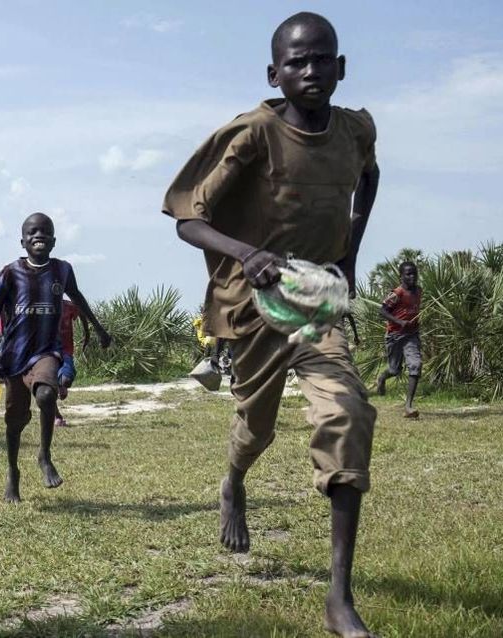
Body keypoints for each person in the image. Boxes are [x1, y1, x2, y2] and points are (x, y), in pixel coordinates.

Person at [165, 12, 381, 637]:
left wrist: (350, 252)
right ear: (274, 73)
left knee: (345, 415)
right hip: (257, 304)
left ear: (340, 68)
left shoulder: (356, 131)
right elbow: (187, 218)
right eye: (297, 62)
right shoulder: (255, 133)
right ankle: (233, 481)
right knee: (255, 426)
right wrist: (245, 253)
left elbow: (367, 179)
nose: (311, 72)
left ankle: (338, 597)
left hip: (318, 303)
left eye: (322, 60)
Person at [0, 213, 111, 502]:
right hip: (14, 355)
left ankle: (44, 455)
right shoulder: (10, 272)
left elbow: (77, 297)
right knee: (14, 422)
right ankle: (13, 473)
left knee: (46, 396)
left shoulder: (62, 270)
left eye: (45, 232)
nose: (38, 236)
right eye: (32, 232)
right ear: (23, 241)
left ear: (53, 240)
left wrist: (99, 329)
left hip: (46, 350)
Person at [375, 261, 422, 417]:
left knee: (415, 364)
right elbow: (382, 311)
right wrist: (400, 322)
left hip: (411, 335)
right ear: (401, 276)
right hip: (395, 336)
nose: (412, 276)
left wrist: (415, 322)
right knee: (394, 370)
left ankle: (408, 406)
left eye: (414, 273)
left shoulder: (418, 291)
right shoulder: (397, 293)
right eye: (408, 274)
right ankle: (382, 377)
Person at [53, 297, 89, 428]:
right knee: (47, 389)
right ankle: (57, 417)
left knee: (66, 380)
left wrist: (87, 332)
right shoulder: (41, 305)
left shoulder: (69, 305)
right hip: (45, 352)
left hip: (65, 351)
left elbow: (83, 313)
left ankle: (61, 384)